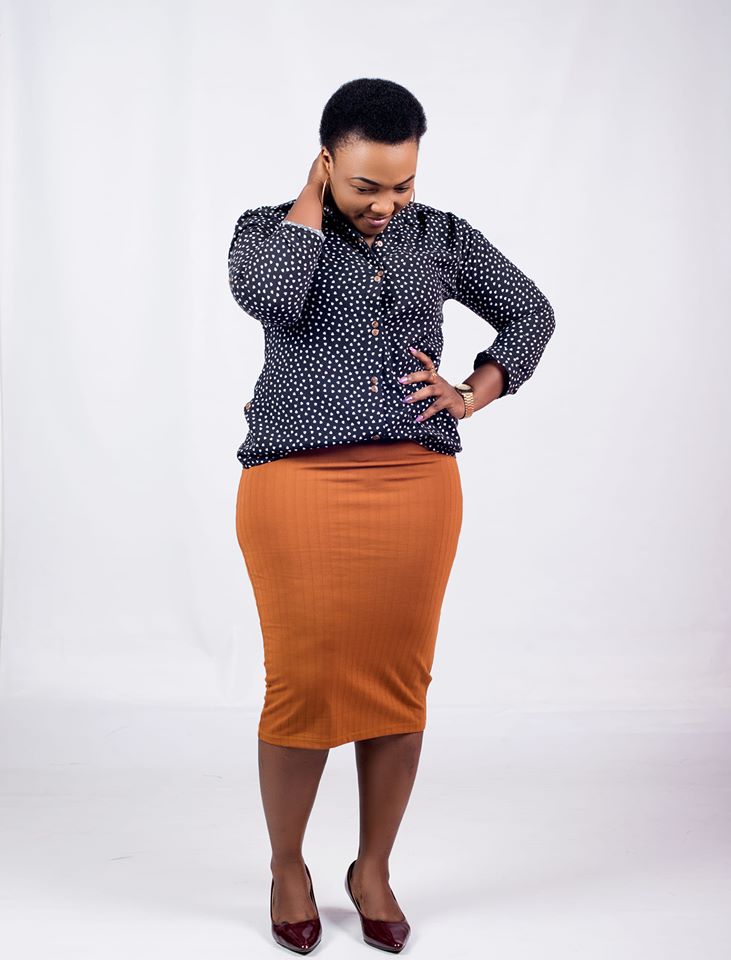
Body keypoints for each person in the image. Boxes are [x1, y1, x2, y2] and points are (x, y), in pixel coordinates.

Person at [228, 77, 556, 954]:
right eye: (366, 185)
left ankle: (371, 868)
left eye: (403, 184)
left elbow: (531, 312)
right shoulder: (266, 232)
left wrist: (472, 393)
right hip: (294, 484)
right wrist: (310, 205)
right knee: (303, 682)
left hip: (416, 485)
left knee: (397, 683)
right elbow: (273, 296)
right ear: (325, 163)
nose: (386, 204)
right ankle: (288, 867)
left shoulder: (441, 236)